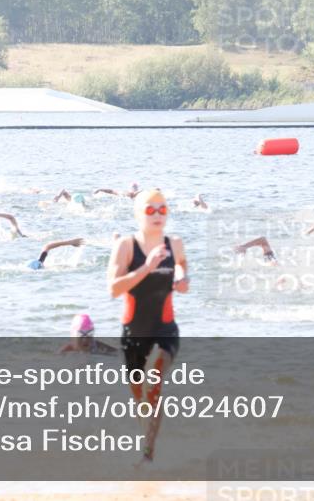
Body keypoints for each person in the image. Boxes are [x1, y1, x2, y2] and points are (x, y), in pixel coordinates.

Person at [107, 189, 189, 465]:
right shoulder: (126, 246)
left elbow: (182, 266)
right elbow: (114, 289)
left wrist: (182, 278)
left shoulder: (174, 243)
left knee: (154, 380)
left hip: (165, 330)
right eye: (150, 209)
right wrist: (147, 267)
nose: (157, 215)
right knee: (141, 398)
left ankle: (147, 455)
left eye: (162, 209)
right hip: (133, 334)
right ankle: (146, 440)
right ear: (138, 214)